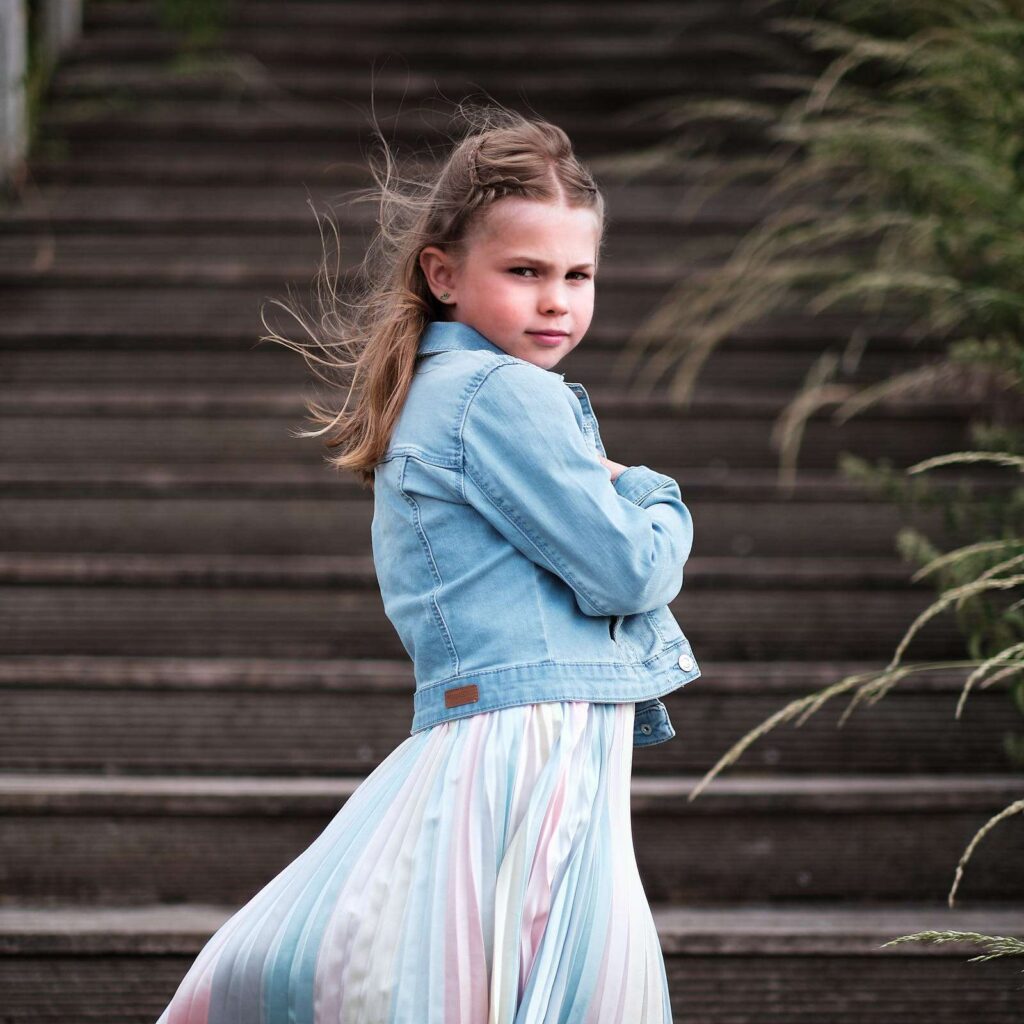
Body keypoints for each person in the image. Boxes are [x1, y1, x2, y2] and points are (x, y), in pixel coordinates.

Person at [155, 102, 699, 1024]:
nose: (557, 300)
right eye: (524, 272)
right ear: (443, 274)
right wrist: (653, 491)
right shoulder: (500, 393)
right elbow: (630, 573)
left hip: (516, 730)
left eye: (579, 273)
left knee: (463, 978)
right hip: (529, 744)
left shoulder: (444, 390)